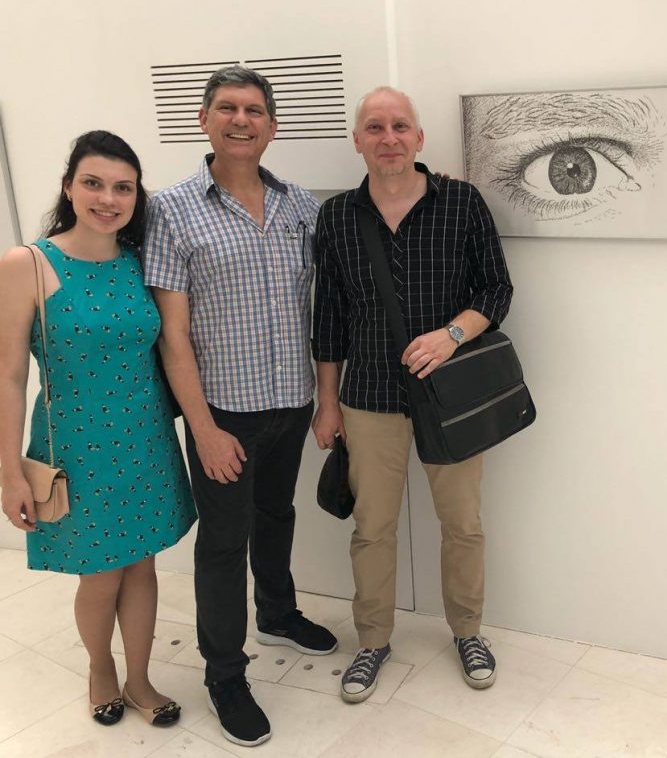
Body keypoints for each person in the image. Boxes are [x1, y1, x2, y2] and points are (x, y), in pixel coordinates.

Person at [143, 65, 336, 748]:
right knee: (224, 544)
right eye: (226, 108)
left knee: (277, 514)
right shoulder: (171, 210)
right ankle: (225, 673)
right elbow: (173, 335)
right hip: (223, 413)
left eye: (254, 110)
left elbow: (328, 304)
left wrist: (326, 398)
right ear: (205, 120)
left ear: (272, 126)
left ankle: (277, 612)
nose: (240, 120)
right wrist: (203, 429)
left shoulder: (301, 206)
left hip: (291, 401)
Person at [311, 87, 514, 703]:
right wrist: (327, 402)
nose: (389, 137)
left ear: (419, 138)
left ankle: (468, 631)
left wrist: (451, 336)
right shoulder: (337, 216)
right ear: (358, 141)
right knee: (372, 528)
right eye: (375, 127)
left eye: (400, 126)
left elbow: (496, 291)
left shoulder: (461, 202)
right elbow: (328, 318)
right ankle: (373, 640)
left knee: (463, 524)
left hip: (451, 397)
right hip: (367, 397)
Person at [0, 131, 196, 727]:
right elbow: (9, 376)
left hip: (145, 438)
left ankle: (140, 678)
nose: (108, 199)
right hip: (77, 448)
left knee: (142, 566)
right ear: (68, 187)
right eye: (93, 183)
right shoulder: (27, 264)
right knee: (101, 573)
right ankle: (100, 668)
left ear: (136, 196)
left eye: (122, 188)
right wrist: (9, 473)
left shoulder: (140, 263)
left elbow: (171, 347)